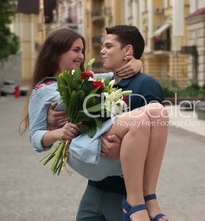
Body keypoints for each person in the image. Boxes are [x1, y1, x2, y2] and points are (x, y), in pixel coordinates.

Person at [22, 27, 169, 221]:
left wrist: (137, 63)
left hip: (111, 171)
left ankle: (145, 197)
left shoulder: (86, 80)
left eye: (82, 51)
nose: (82, 56)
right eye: (76, 50)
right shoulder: (43, 90)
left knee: (157, 112)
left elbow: (114, 75)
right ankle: (137, 201)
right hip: (88, 158)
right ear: (57, 51)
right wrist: (59, 131)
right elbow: (35, 137)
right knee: (143, 119)